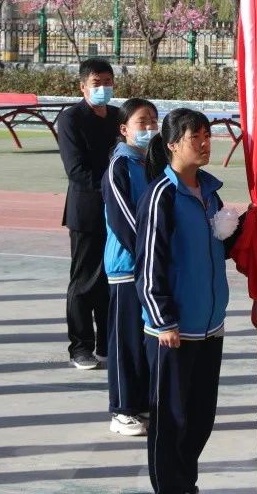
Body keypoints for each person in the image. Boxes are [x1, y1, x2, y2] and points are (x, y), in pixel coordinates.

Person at [135, 108, 249, 494]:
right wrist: (162, 319)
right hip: (174, 329)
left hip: (210, 323)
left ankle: (186, 482)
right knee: (171, 418)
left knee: (200, 417)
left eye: (206, 136)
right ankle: (170, 487)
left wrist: (251, 225)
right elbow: (149, 265)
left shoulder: (210, 192)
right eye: (193, 137)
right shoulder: (161, 196)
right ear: (171, 145)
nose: (203, 144)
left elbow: (221, 244)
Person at [102, 98, 163, 437]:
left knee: (145, 339)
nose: (150, 127)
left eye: (154, 120)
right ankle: (122, 408)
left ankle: (141, 404)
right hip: (128, 267)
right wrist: (151, 253)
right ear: (124, 129)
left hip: (150, 264)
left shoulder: (152, 163)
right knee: (125, 340)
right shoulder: (119, 167)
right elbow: (125, 222)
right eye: (142, 122)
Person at [58, 58, 120, 370]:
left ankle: (107, 344)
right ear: (83, 87)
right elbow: (76, 170)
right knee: (84, 281)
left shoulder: (119, 117)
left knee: (112, 279)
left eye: (108, 82)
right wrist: (113, 188)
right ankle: (80, 346)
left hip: (118, 213)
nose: (103, 89)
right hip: (87, 211)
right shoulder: (71, 119)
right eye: (97, 84)